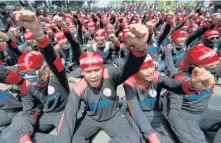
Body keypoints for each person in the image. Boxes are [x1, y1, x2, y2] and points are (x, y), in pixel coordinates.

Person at [57, 23, 149, 143]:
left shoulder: (110, 75)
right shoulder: (78, 89)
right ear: (82, 73)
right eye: (88, 71)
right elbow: (68, 117)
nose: (94, 75)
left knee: (133, 139)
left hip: (113, 116)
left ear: (103, 69)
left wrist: (140, 47)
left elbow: (129, 69)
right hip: (90, 119)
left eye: (97, 70)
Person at [123, 54, 215, 143]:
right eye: (145, 68)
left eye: (151, 66)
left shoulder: (157, 76)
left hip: (155, 113)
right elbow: (136, 111)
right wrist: (150, 135)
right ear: (134, 70)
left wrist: (192, 85)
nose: (150, 71)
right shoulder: (129, 83)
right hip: (135, 115)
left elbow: (173, 84)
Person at [168, 44, 221, 143]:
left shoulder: (212, 71)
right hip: (187, 117)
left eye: (216, 64)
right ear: (196, 68)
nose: (215, 68)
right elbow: (174, 113)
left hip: (205, 113)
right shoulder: (180, 79)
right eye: (211, 66)